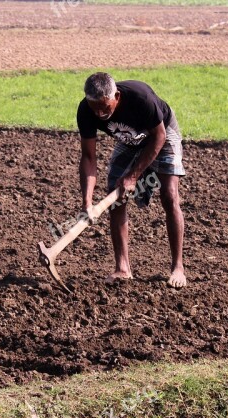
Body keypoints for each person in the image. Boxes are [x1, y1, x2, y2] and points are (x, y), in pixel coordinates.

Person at [76, 72, 187, 288]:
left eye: (105, 108)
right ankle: (122, 268)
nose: (100, 114)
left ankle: (178, 267)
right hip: (129, 139)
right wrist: (87, 202)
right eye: (95, 108)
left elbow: (159, 137)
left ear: (116, 96)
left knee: (169, 194)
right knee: (115, 197)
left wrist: (133, 176)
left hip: (161, 132)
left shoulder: (141, 98)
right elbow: (88, 157)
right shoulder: (86, 111)